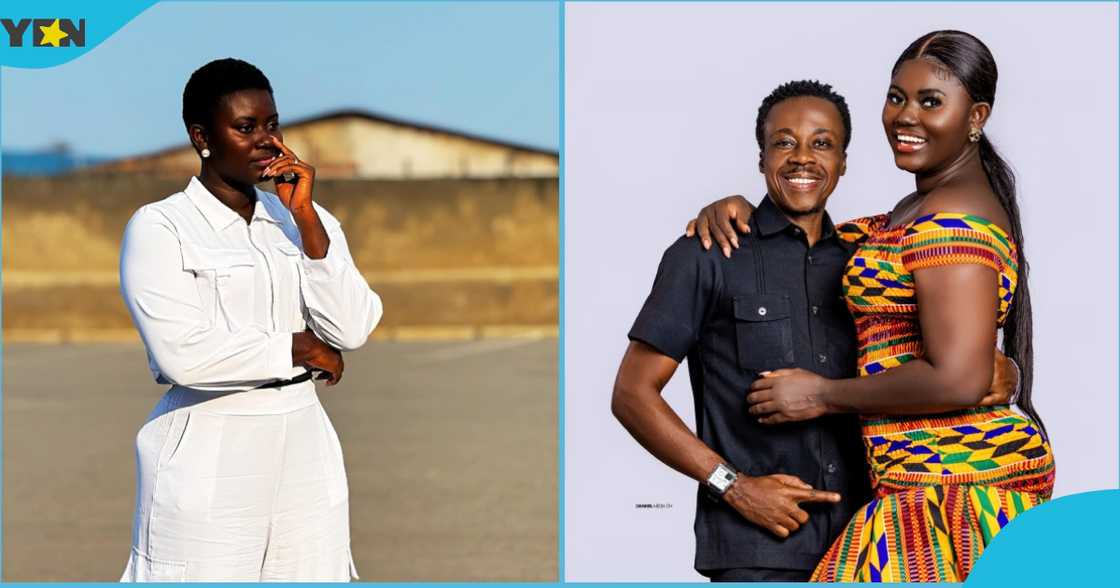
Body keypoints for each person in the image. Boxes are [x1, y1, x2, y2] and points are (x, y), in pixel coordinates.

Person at [686, 31, 1054, 582]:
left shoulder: (954, 219)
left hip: (953, 494)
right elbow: (862, 249)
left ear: (976, 115)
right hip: (914, 485)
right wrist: (747, 205)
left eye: (931, 101)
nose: (905, 117)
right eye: (896, 96)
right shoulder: (917, 209)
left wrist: (821, 394)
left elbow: (957, 380)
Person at [612, 80, 1015, 582]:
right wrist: (734, 486)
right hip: (757, 549)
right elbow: (631, 394)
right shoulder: (707, 254)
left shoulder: (865, 267)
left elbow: (940, 358)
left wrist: (1002, 371)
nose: (803, 158)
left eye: (822, 143)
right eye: (784, 142)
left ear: (843, 162)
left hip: (873, 546)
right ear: (761, 159)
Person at [118, 58, 382, 581]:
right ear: (202, 137)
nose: (266, 141)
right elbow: (181, 353)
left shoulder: (307, 218)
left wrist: (306, 220)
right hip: (209, 436)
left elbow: (352, 328)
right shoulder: (160, 226)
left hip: (304, 437)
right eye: (245, 128)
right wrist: (299, 348)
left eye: (272, 125)